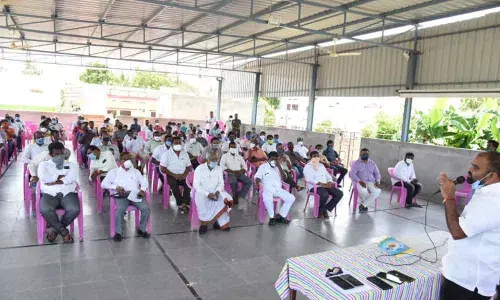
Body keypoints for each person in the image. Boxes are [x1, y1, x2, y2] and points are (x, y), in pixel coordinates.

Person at [438, 151, 500, 300]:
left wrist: (449, 197)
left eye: (476, 168)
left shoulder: (493, 200)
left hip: (467, 283)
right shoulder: (486, 193)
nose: (470, 170)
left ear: (492, 176)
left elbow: (458, 232)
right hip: (465, 277)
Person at [101, 152, 151, 242]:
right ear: (120, 161)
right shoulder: (114, 172)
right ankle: (118, 232)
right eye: (125, 159)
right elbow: (103, 184)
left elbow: (144, 182)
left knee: (146, 208)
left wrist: (143, 189)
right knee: (120, 210)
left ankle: (142, 229)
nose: (127, 160)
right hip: (122, 195)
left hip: (135, 194)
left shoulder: (135, 171)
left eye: (129, 158)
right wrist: (115, 187)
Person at [38, 142, 80, 243]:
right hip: (49, 193)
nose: (60, 156)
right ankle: (64, 232)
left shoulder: (71, 165)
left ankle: (54, 230)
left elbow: (72, 177)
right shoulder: (44, 165)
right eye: (57, 154)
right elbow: (43, 177)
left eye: (61, 153)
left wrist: (57, 181)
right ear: (50, 155)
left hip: (68, 192)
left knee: (74, 209)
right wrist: (59, 178)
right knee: (45, 209)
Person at [194, 151, 234, 234]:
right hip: (202, 191)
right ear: (207, 159)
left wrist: (217, 192)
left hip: (216, 191)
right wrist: (208, 194)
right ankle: (204, 224)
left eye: (216, 159)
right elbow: (196, 185)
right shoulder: (199, 168)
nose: (215, 161)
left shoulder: (219, 168)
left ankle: (219, 221)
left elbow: (221, 183)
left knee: (227, 200)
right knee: (201, 202)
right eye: (213, 159)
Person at [255, 151, 295, 225]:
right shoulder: (263, 167)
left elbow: (284, 178)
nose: (274, 161)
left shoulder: (279, 167)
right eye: (272, 159)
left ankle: (280, 216)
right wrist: (257, 182)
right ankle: (272, 217)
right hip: (267, 189)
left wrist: (279, 166)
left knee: (291, 198)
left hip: (278, 189)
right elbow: (257, 177)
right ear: (268, 159)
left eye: (276, 159)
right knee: (267, 199)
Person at [304, 151, 343, 218]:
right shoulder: (307, 167)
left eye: (317, 156)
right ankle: (320, 210)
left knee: (339, 193)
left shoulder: (321, 165)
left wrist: (330, 181)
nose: (316, 157)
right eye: (314, 156)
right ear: (310, 158)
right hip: (315, 186)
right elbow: (308, 179)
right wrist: (321, 184)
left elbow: (327, 175)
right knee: (325, 194)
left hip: (325, 185)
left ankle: (324, 209)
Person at [160, 136, 192, 214]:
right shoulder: (166, 154)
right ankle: (180, 203)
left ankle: (185, 202)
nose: (178, 144)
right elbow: (162, 168)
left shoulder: (185, 154)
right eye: (176, 143)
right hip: (171, 174)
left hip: (183, 174)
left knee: (188, 184)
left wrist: (184, 175)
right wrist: (174, 175)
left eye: (179, 143)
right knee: (174, 186)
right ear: (172, 144)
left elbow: (189, 167)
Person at [350, 148, 382, 212]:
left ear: (369, 154)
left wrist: (378, 181)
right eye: (363, 153)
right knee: (363, 191)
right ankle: (365, 205)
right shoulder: (356, 163)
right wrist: (359, 181)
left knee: (377, 191)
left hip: (371, 181)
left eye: (366, 154)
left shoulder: (372, 163)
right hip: (360, 181)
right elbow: (352, 174)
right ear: (360, 154)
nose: (365, 155)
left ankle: (363, 205)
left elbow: (377, 173)